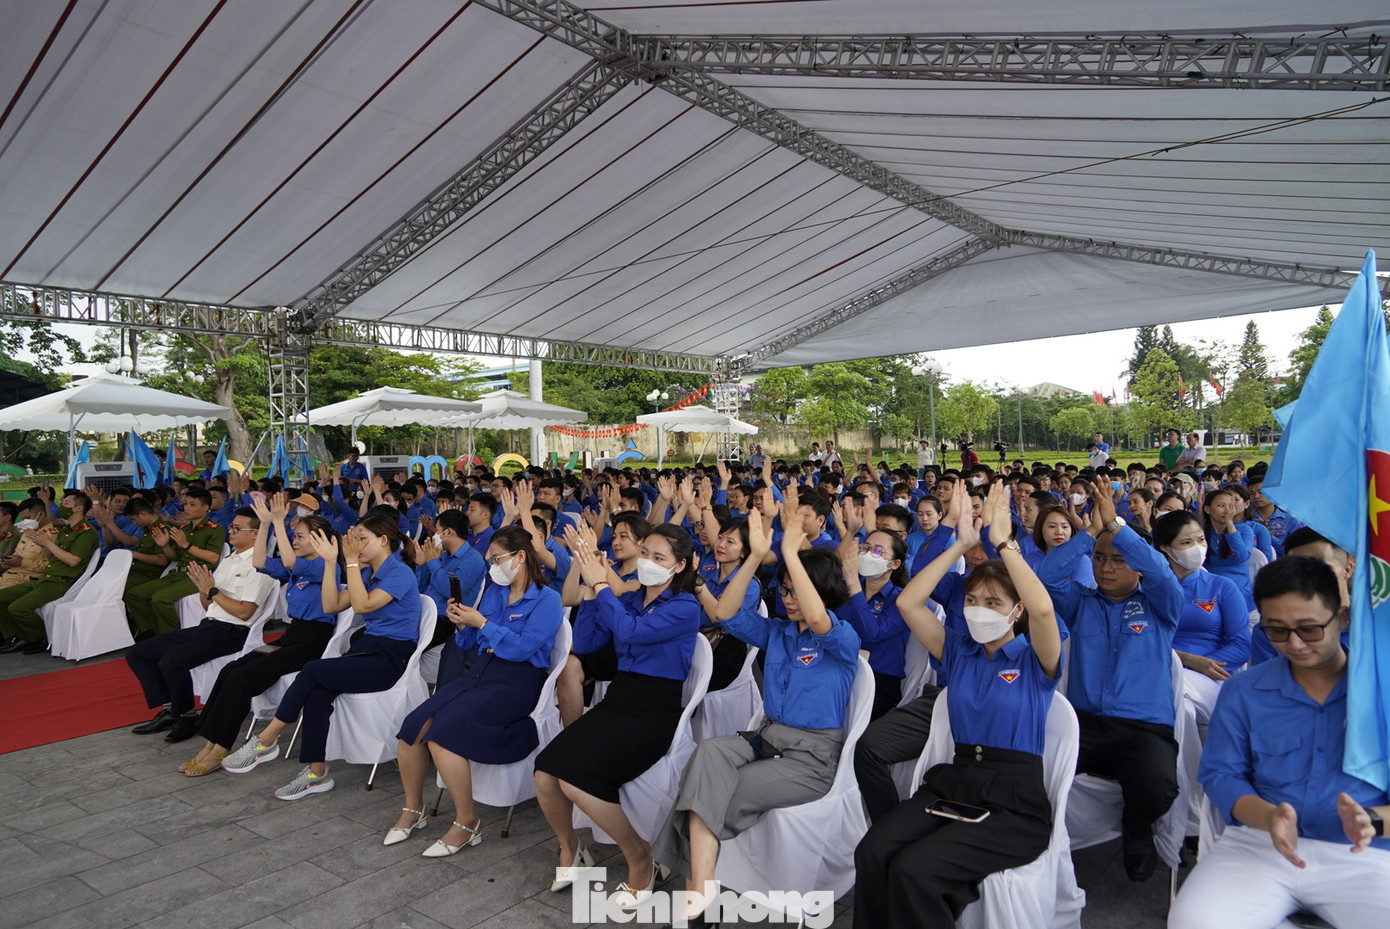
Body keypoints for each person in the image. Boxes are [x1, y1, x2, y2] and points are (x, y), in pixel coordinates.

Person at [854, 481, 1062, 929]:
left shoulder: (1033, 660)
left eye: (993, 602)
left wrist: (1004, 544)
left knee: (915, 870)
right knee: (872, 851)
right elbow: (911, 600)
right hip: (955, 781)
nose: (978, 609)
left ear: (1015, 611)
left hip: (1014, 798)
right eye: (971, 600)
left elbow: (1043, 612)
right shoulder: (959, 651)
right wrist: (960, 541)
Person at [652, 501, 858, 925]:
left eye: (796, 590)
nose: (788, 598)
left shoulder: (841, 637)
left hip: (811, 759)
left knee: (706, 796)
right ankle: (704, 894)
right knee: (707, 756)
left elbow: (818, 618)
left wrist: (788, 554)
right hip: (766, 740)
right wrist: (752, 557)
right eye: (783, 590)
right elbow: (724, 613)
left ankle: (697, 901)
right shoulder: (778, 632)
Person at [1167, 557, 1390, 929]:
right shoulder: (1245, 690)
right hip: (1260, 845)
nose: (1296, 644)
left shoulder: (1380, 691)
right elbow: (1221, 774)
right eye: (1277, 631)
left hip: (1363, 853)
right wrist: (1269, 816)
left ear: (1343, 618)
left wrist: (1372, 821)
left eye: (1310, 629)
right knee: (1193, 922)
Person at [533, 523, 700, 902]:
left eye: (659, 558)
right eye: (645, 554)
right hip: (618, 701)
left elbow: (629, 634)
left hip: (653, 710)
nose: (647, 563)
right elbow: (588, 641)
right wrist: (594, 589)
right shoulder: (630, 598)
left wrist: (604, 585)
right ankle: (571, 849)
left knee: (576, 778)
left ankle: (640, 856)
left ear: (679, 566)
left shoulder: (684, 606)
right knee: (545, 770)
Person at [387, 526, 563, 856]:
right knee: (413, 725)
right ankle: (414, 808)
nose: (493, 566)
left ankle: (467, 822)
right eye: (490, 560)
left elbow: (523, 649)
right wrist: (462, 624)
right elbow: (470, 643)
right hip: (481, 670)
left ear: (520, 557)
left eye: (497, 559)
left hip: (519, 680)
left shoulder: (547, 599)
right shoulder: (495, 591)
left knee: (443, 733)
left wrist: (482, 623)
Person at [1038, 482, 1183, 882]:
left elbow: (1159, 570)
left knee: (1157, 786)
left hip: (1142, 729)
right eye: (1100, 559)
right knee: (1031, 769)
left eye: (1118, 560)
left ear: (1136, 564)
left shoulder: (1160, 604)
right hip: (1084, 725)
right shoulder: (1079, 602)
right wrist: (1087, 534)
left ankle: (1137, 830)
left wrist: (1117, 526)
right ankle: (1035, 843)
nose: (1105, 567)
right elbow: (1047, 576)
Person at [222, 514, 422, 799]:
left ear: (383, 541)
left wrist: (349, 561)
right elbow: (330, 604)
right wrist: (331, 563)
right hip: (366, 650)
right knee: (317, 693)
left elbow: (363, 605)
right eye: (354, 540)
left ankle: (266, 739)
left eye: (362, 539)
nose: (356, 546)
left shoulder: (399, 573)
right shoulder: (366, 573)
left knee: (314, 670)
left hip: (390, 658)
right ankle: (316, 773)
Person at [176, 503, 348, 775]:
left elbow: (289, 560)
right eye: (295, 536)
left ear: (320, 540)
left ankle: (221, 747)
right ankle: (209, 744)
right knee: (231, 669)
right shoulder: (299, 568)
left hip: (312, 641)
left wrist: (279, 521)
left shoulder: (325, 567)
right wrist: (266, 524)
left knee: (243, 679)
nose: (294, 539)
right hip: (292, 635)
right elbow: (260, 563)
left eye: (300, 536)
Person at [126, 508, 276, 742]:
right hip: (210, 625)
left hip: (233, 632)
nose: (231, 531)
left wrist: (212, 591)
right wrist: (203, 589)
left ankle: (186, 716)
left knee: (172, 661)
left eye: (237, 528)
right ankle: (169, 707)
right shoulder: (229, 559)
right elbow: (209, 605)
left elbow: (245, 613)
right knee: (137, 653)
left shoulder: (261, 567)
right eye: (231, 527)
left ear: (256, 534)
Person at [1151, 511, 1250, 724]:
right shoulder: (1151, 590)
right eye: (1187, 542)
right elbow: (1142, 639)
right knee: (1181, 708)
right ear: (1165, 548)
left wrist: (1207, 665)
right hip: (1160, 668)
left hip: (1209, 675)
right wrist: (1186, 660)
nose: (1197, 547)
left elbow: (1242, 644)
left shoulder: (1222, 587)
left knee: (1172, 696)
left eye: (1201, 539)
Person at [0, 491, 99, 654]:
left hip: (60, 582)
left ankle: (40, 638)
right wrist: (43, 544)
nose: (61, 506)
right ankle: (15, 636)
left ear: (78, 508)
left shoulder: (87, 532)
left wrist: (48, 543)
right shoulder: (67, 530)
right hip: (45, 579)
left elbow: (73, 560)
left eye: (66, 503)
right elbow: (52, 557)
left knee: (17, 608)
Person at [834, 506, 910, 719]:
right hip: (841, 669)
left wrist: (853, 585)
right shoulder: (846, 587)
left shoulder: (901, 600)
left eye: (877, 551)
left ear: (894, 564)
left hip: (880, 680)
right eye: (865, 548)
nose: (868, 554)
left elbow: (872, 633)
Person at [124, 488, 226, 639]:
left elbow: (213, 558)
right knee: (134, 594)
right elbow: (175, 557)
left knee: (160, 598)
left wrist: (187, 545)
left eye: (192, 505)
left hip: (197, 576)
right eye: (186, 504)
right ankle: (151, 632)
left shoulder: (214, 529)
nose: (186, 508)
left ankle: (170, 636)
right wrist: (165, 545)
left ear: (205, 508)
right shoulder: (184, 529)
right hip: (178, 573)